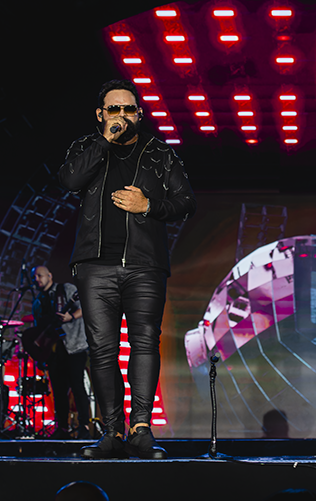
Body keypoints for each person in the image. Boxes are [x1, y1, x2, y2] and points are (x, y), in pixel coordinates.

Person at [58, 79, 196, 459]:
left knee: (144, 342)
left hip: (144, 264)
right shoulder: (87, 147)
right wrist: (104, 141)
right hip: (94, 264)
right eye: (114, 109)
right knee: (101, 349)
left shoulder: (158, 153)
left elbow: (186, 200)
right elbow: (69, 180)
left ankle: (140, 428)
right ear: (101, 114)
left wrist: (149, 206)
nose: (123, 116)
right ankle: (111, 432)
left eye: (129, 109)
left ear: (139, 113)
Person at [30, 265, 91, 439]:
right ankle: (62, 427)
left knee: (77, 387)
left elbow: (85, 307)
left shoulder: (66, 289)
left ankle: (84, 426)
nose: (37, 279)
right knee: (58, 391)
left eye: (40, 276)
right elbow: (38, 328)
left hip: (74, 347)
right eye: (35, 277)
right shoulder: (38, 302)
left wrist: (71, 317)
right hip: (54, 350)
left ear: (50, 275)